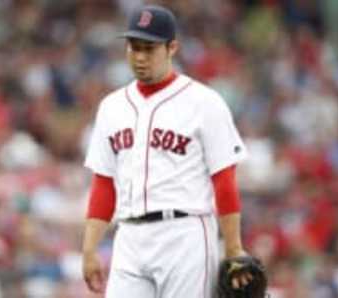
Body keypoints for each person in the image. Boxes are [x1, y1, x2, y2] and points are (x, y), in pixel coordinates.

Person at [82, 4, 252, 298]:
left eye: (149, 48)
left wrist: (234, 247)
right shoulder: (112, 107)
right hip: (129, 237)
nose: (139, 57)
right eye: (134, 47)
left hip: (185, 234)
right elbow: (103, 183)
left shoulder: (204, 102)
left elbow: (224, 180)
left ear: (172, 47)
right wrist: (89, 248)